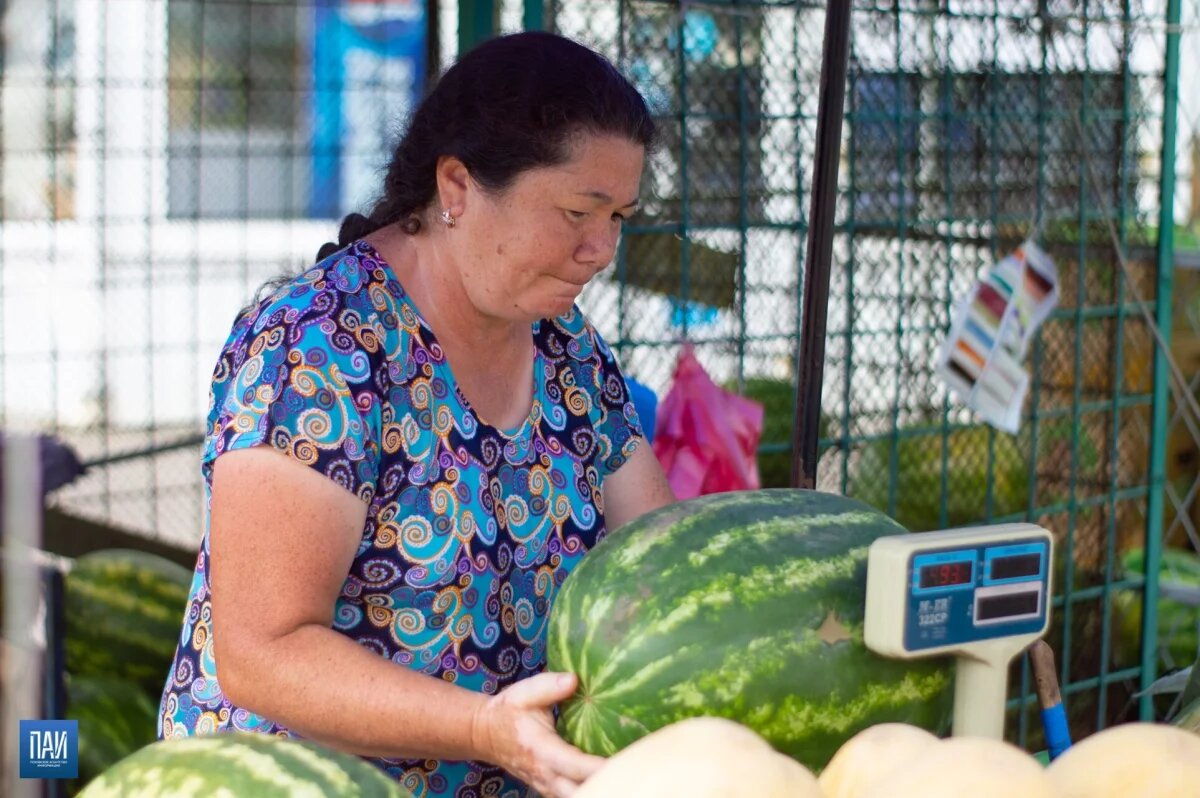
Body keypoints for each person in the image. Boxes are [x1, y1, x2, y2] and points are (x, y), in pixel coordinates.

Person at [157, 30, 675, 798]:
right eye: (577, 211)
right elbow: (265, 652)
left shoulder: (568, 350)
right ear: (458, 188)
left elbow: (660, 563)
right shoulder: (318, 349)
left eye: (621, 217)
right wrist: (485, 728)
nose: (602, 248)